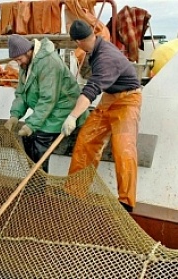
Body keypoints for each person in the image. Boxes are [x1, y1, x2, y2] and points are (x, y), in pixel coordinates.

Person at [61, 19, 142, 212]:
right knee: (86, 140)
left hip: (128, 101)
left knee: (124, 149)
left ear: (78, 42)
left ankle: (126, 201)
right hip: (109, 99)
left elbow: (92, 89)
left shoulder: (105, 57)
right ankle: (74, 190)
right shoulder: (95, 49)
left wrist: (72, 116)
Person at [4, 34, 88, 173]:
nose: (18, 63)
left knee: (39, 139)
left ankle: (39, 184)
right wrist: (15, 115)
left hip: (62, 110)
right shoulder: (26, 64)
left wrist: (32, 125)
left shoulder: (48, 62)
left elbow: (48, 99)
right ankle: (33, 179)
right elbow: (21, 93)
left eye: (19, 59)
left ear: (29, 51)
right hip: (48, 112)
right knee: (27, 138)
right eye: (16, 60)